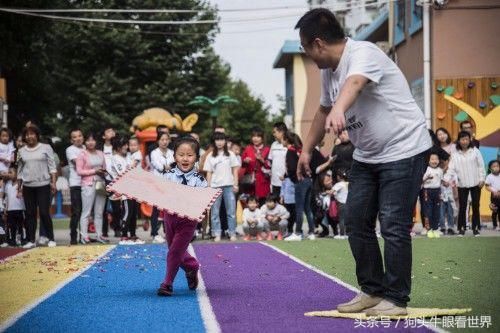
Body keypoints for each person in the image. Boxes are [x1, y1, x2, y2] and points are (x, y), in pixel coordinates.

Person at [295, 8, 431, 315]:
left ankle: (396, 299)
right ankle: (372, 290)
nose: (308, 56)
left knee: (393, 223)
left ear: (318, 43)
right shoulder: (327, 71)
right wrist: (306, 150)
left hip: (404, 149)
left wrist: (340, 109)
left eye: (305, 49)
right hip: (368, 156)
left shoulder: (363, 53)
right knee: (356, 220)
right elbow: (321, 111)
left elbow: (355, 84)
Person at [157, 136, 207, 297]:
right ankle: (192, 267)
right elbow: (160, 195)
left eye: (190, 155)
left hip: (188, 221)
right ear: (175, 156)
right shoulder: (167, 176)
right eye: (181, 154)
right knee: (175, 250)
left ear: (197, 158)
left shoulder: (200, 181)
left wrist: (202, 210)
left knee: (174, 252)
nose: (185, 159)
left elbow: (203, 202)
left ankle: (167, 284)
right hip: (170, 217)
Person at [17, 124, 58, 249]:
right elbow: (19, 170)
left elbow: (52, 167)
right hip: (28, 186)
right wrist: (19, 188)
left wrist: (53, 182)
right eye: (27, 134)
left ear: (37, 135)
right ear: (25, 137)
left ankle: (51, 238)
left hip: (43, 185)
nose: (30, 136)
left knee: (45, 212)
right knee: (30, 214)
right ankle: (31, 240)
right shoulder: (21, 151)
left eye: (32, 133)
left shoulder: (46, 147)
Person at [283, 132, 327, 241]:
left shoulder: (291, 151)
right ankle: (311, 232)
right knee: (307, 208)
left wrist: (292, 177)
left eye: (283, 139)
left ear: (287, 140)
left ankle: (298, 232)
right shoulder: (303, 150)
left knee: (299, 208)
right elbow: (318, 161)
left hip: (300, 181)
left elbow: (292, 168)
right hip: (309, 180)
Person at [203, 132, 240, 242]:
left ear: (225, 141)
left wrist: (236, 184)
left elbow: (235, 170)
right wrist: (208, 187)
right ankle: (216, 233)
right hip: (215, 186)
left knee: (231, 211)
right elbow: (208, 173)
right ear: (214, 142)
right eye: (217, 140)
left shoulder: (230, 154)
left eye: (221, 139)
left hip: (229, 186)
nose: (219, 142)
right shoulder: (210, 156)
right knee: (214, 212)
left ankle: (232, 233)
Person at [449, 131, 485, 236]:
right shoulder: (455, 154)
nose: (464, 141)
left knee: (475, 205)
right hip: (462, 184)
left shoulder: (475, 151)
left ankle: (476, 228)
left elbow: (481, 166)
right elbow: (452, 168)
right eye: (462, 139)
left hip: (476, 183)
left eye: (466, 139)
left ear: (470, 140)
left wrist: (482, 179)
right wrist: (449, 179)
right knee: (463, 206)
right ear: (459, 141)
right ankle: (461, 228)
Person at [76, 132, 108, 244]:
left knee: (99, 211)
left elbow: (105, 168)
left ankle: (99, 235)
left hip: (101, 183)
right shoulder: (82, 154)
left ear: (96, 141)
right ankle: (84, 236)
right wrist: (95, 171)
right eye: (88, 140)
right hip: (88, 184)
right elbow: (79, 171)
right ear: (85, 142)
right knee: (86, 211)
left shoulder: (100, 153)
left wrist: (104, 172)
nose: (91, 142)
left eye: (93, 140)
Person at [150, 131, 175, 243]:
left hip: (169, 184)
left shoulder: (172, 152)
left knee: (169, 210)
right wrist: (167, 167)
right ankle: (154, 233)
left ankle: (168, 232)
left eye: (166, 139)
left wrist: (168, 167)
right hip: (157, 184)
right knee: (156, 209)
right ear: (158, 141)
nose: (164, 142)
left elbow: (174, 166)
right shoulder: (154, 153)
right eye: (162, 140)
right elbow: (159, 167)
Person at [241, 127, 271, 205]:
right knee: (250, 204)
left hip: (263, 181)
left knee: (263, 204)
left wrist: (262, 160)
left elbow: (271, 165)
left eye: (258, 136)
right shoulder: (248, 149)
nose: (255, 139)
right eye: (254, 136)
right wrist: (245, 161)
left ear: (262, 138)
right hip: (250, 182)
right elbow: (241, 164)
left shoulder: (267, 149)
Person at [65, 128, 85, 245]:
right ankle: (73, 236)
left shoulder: (86, 149)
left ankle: (83, 236)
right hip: (75, 183)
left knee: (85, 212)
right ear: (71, 140)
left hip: (86, 184)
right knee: (76, 212)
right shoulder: (70, 150)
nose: (78, 138)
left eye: (79, 136)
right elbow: (78, 163)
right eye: (75, 137)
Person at [421, 153, 443, 238]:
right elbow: (422, 180)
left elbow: (441, 181)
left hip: (437, 191)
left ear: (438, 161)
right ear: (429, 161)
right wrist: (427, 178)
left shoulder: (440, 170)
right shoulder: (427, 169)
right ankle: (429, 229)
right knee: (428, 211)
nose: (434, 161)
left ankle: (435, 229)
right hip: (428, 191)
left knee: (436, 211)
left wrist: (445, 183)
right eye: (432, 159)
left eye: (436, 159)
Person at [4, 166, 26, 246]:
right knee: (12, 226)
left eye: (11, 172)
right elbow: (7, 198)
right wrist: (6, 208)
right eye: (8, 172)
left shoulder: (21, 184)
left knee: (21, 226)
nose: (9, 174)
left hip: (20, 209)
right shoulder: (7, 185)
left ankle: (22, 240)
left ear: (17, 174)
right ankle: (12, 240)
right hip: (10, 210)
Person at [100, 126, 116, 238]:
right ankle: (104, 231)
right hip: (104, 179)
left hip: (116, 179)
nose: (111, 132)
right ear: (103, 136)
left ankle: (117, 228)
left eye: (112, 131)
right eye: (108, 131)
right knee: (103, 207)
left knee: (117, 206)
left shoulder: (117, 147)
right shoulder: (100, 148)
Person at [269, 122, 288, 196]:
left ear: (282, 132)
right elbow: (270, 160)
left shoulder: (289, 144)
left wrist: (286, 176)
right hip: (274, 182)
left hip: (286, 181)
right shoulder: (273, 144)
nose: (273, 134)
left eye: (275, 132)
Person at [440, 156, 458, 235]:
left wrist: (456, 193)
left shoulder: (452, 172)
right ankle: (442, 227)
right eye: (442, 160)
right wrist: (442, 182)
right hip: (441, 196)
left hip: (450, 197)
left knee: (451, 213)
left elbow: (455, 183)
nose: (444, 162)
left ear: (448, 161)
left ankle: (451, 227)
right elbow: (436, 180)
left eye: (446, 160)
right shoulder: (438, 171)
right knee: (441, 213)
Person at [332, 169, 349, 239]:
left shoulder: (338, 184)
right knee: (347, 219)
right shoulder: (348, 183)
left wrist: (326, 192)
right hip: (349, 203)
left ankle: (342, 234)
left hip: (342, 203)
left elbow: (332, 192)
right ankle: (347, 234)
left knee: (341, 219)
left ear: (338, 177)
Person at [485, 160, 500, 231]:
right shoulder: (489, 176)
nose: (496, 168)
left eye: (497, 166)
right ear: (490, 168)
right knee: (495, 211)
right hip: (494, 196)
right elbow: (487, 186)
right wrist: (493, 191)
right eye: (494, 166)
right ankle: (495, 225)